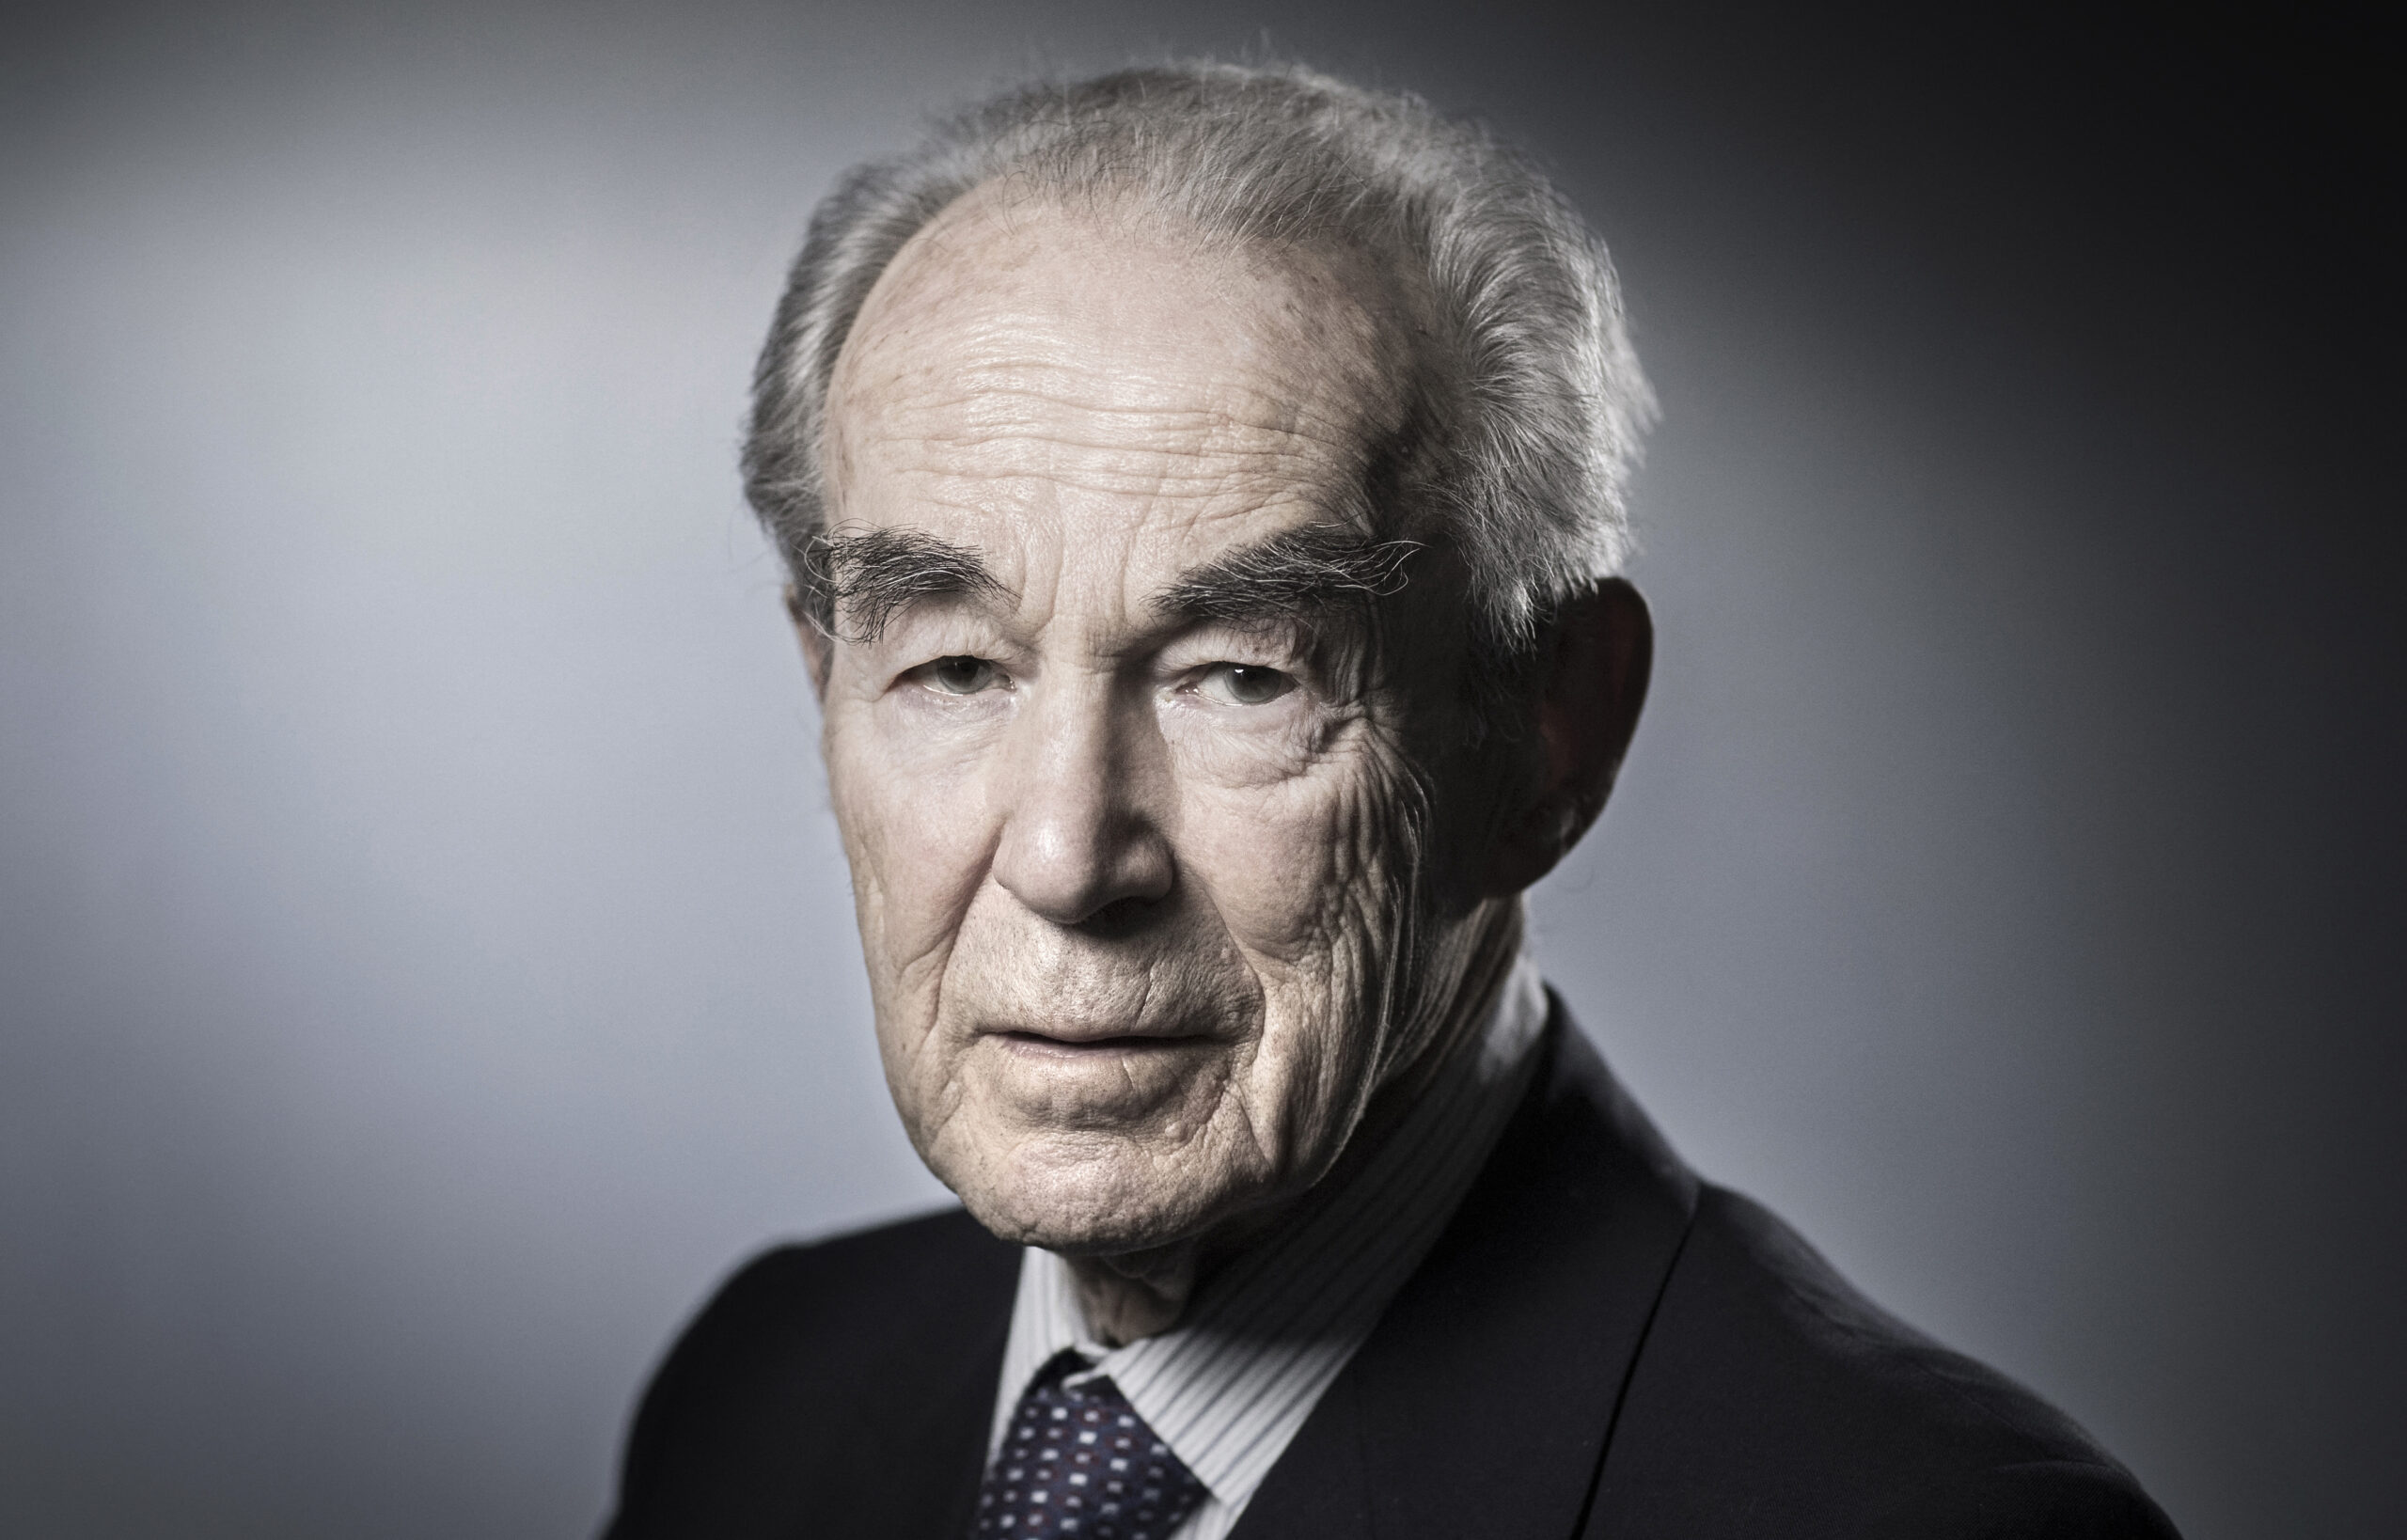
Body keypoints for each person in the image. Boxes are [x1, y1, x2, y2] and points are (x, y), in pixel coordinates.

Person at [602, 61, 2177, 1540]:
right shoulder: (758, 1395)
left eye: (1244, 675)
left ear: (1555, 734)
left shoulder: (1933, 1521)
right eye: (955, 669)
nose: (1069, 856)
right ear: (826, 692)